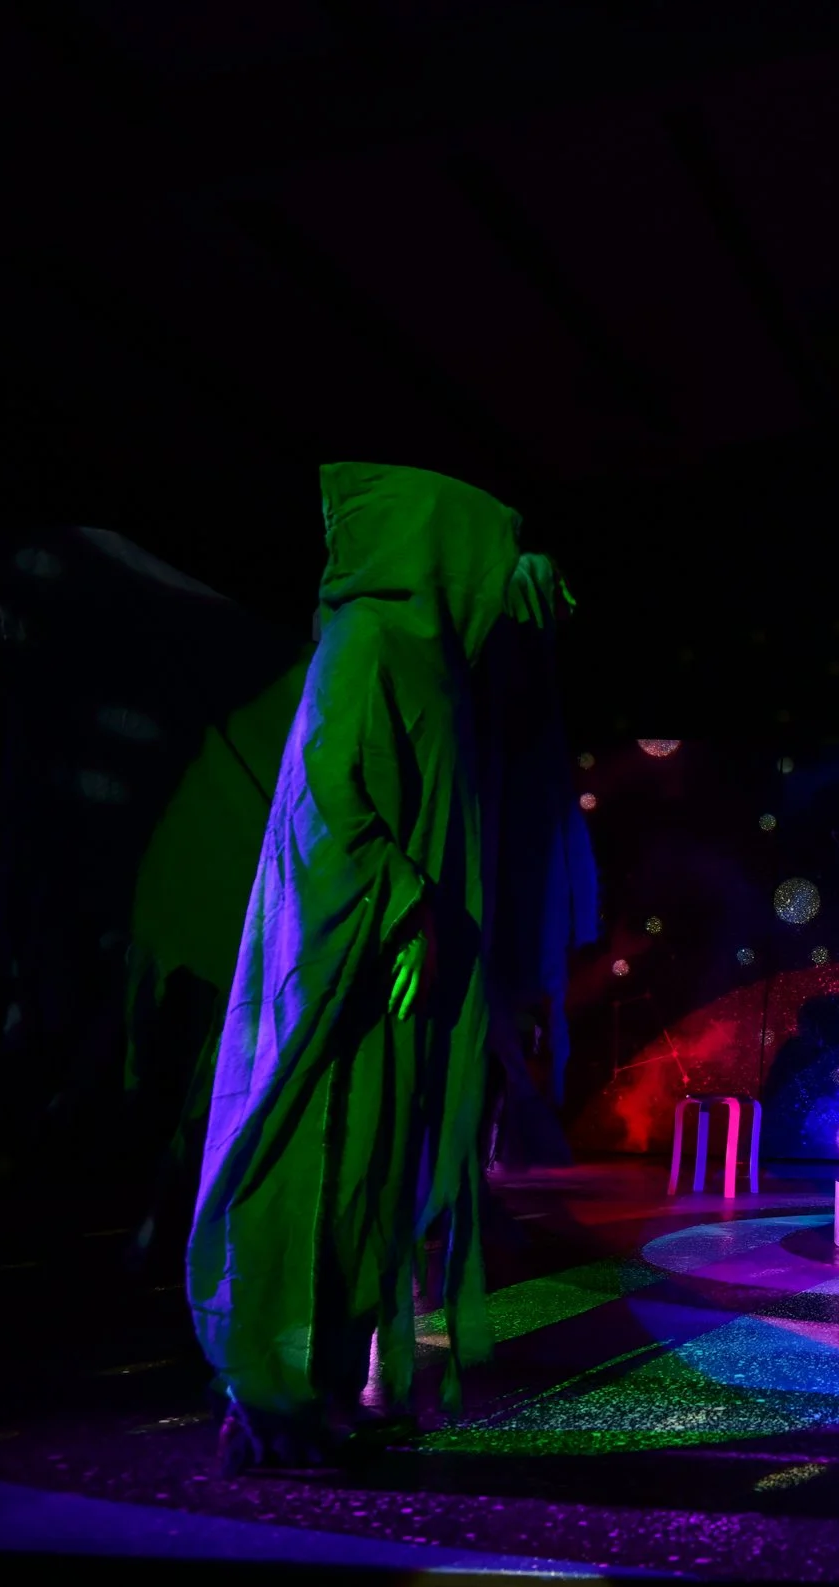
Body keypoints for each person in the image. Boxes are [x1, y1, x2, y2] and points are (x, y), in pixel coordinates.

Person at [187, 462, 568, 1469]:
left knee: (369, 1184)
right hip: (351, 966)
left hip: (402, 975)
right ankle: (270, 1399)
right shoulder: (366, 641)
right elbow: (328, 795)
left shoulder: (435, 658)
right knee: (316, 1166)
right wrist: (405, 906)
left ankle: (324, 1394)